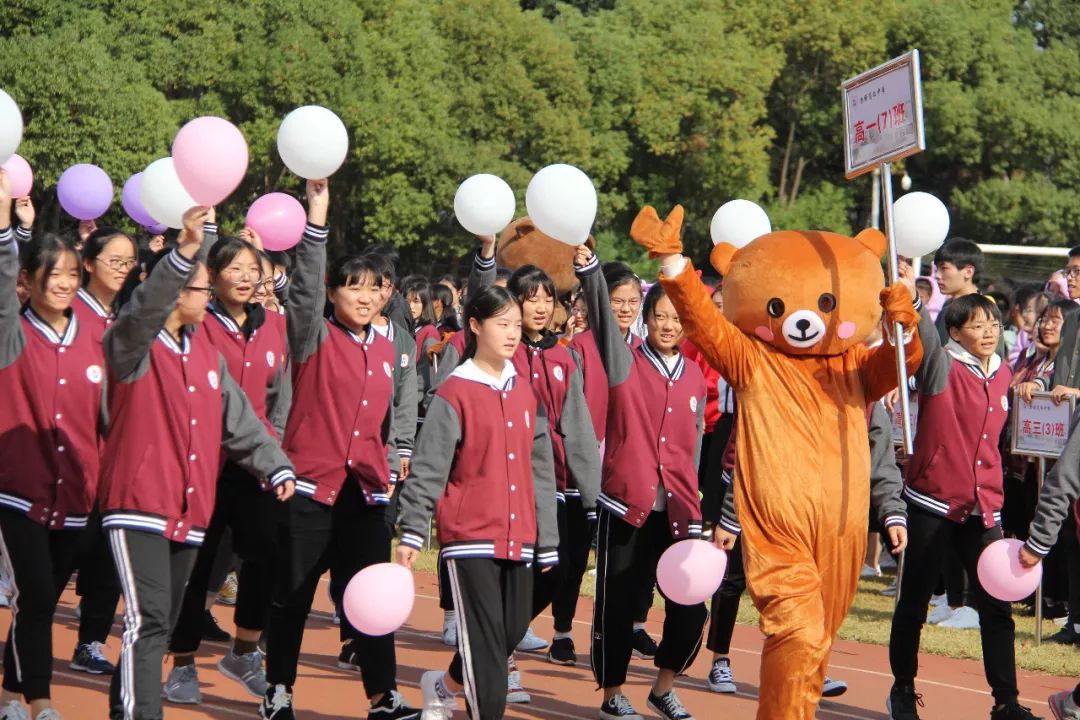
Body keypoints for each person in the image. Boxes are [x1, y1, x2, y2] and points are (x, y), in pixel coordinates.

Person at [98, 205, 297, 720]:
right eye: (195, 289)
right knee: (147, 620)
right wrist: (185, 249)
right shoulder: (133, 344)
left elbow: (243, 422)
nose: (203, 298)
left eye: (204, 290)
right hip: (138, 503)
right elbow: (142, 310)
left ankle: (127, 708)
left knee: (158, 621)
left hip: (189, 508)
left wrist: (276, 465)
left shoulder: (205, 355)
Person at [261, 180, 418, 720]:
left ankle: (383, 696)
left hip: (367, 496)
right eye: (353, 288)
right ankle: (278, 688)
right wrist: (318, 215)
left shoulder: (391, 345)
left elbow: (397, 412)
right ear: (333, 293)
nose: (366, 296)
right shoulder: (312, 337)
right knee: (293, 597)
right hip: (309, 489)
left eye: (376, 289)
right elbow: (302, 289)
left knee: (372, 604)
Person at [396, 284, 559, 720]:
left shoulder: (525, 392)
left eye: (516, 326)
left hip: (520, 534)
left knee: (507, 632)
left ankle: (442, 685)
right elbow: (430, 466)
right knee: (487, 651)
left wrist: (548, 535)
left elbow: (541, 469)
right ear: (474, 325)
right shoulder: (455, 391)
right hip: (469, 537)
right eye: (501, 324)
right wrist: (413, 528)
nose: (511, 334)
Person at [886, 281, 1037, 720]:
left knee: (997, 607)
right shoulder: (940, 364)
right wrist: (913, 299)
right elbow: (925, 336)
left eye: (993, 323)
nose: (989, 331)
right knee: (913, 602)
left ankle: (1005, 702)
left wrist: (1038, 381)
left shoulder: (1006, 371)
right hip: (931, 501)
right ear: (955, 332)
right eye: (977, 325)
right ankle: (902, 690)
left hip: (983, 505)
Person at [575, 244, 708, 720]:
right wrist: (589, 268)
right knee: (619, 605)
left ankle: (663, 686)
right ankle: (612, 693)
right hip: (624, 506)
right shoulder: (623, 360)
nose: (669, 325)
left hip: (679, 512)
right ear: (645, 321)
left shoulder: (695, 376)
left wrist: (697, 504)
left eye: (677, 318)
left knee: (690, 608)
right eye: (660, 316)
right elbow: (602, 318)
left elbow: (693, 446)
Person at [163, 229, 292, 704]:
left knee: (266, 556)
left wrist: (272, 448)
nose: (244, 277)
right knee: (196, 567)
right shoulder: (196, 324)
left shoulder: (274, 326)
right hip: (198, 464)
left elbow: (281, 395)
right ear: (211, 276)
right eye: (233, 268)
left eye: (252, 269)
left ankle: (243, 651)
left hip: (254, 466)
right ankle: (180, 663)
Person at [0, 173, 105, 720]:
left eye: (71, 273)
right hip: (17, 494)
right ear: (27, 281)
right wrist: (2, 229)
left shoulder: (94, 337)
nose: (64, 283)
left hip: (78, 498)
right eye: (53, 274)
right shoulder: (11, 334)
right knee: (36, 595)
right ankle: (37, 700)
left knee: (40, 602)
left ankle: (10, 694)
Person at [502, 265, 601, 696]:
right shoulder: (500, 350)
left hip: (554, 483)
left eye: (547, 298)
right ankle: (502, 660)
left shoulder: (565, 355)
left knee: (555, 568)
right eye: (531, 298)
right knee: (514, 569)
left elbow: (578, 427)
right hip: (506, 478)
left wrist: (594, 496)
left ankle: (504, 632)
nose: (541, 307)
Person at [68, 226, 141, 677]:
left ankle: (91, 640)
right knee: (55, 562)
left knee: (108, 559)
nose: (122, 269)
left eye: (128, 262)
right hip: (69, 458)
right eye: (113, 259)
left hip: (114, 465)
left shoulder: (127, 323)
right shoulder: (68, 313)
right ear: (89, 263)